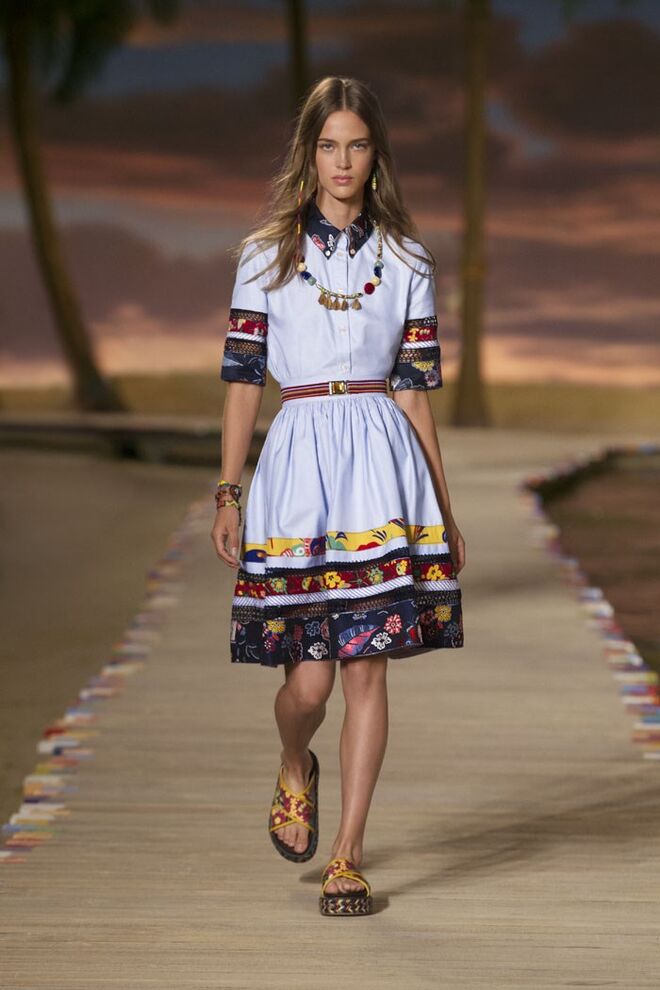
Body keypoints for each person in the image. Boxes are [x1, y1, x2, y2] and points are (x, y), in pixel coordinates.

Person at [211, 75, 465, 917]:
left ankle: (347, 856)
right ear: (309, 152)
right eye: (328, 145)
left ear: (376, 153)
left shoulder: (408, 260)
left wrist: (443, 509)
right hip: (296, 467)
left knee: (366, 669)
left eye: (357, 145)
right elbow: (244, 382)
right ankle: (295, 760)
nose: (343, 161)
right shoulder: (265, 255)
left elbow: (415, 394)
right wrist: (228, 491)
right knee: (308, 689)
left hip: (381, 471)